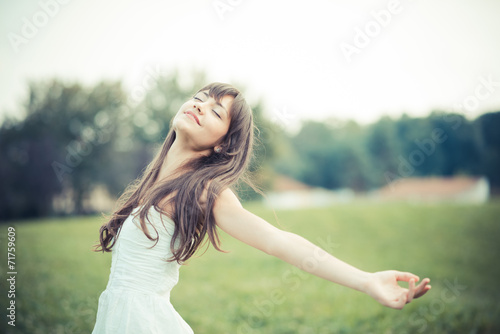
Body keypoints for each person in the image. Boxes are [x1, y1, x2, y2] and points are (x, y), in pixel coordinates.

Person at [91, 82, 431, 333]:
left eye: (215, 111)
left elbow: (278, 241)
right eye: (198, 99)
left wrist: (366, 281)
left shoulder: (204, 191)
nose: (199, 106)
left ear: (222, 142)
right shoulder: (152, 183)